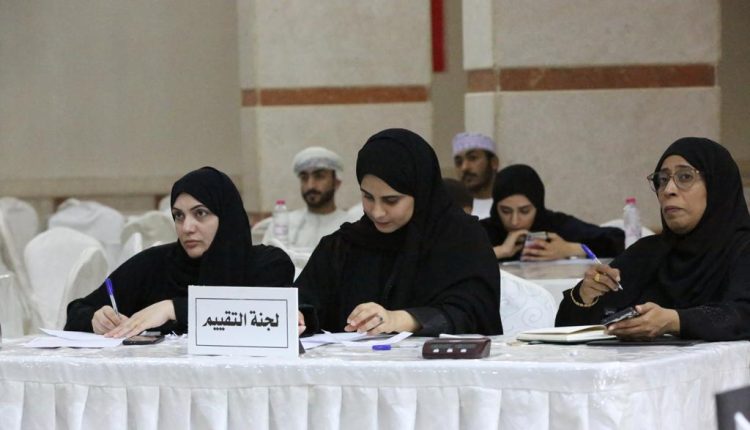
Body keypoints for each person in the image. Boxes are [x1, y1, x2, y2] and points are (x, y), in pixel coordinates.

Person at [295, 128, 502, 336]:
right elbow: (305, 298)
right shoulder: (346, 245)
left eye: (391, 200)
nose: (377, 212)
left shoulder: (461, 239)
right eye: (368, 197)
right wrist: (299, 315)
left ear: (420, 192)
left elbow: (473, 313)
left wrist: (402, 319)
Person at [556, 137, 750, 341]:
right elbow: (566, 330)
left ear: (718, 185)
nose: (668, 190)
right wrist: (586, 295)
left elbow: (743, 314)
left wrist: (675, 321)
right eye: (663, 180)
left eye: (685, 177)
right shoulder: (648, 252)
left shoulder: (743, 249)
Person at [65, 167, 295, 337]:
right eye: (178, 216)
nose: (187, 228)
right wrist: (95, 319)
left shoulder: (267, 264)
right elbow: (77, 310)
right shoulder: (154, 264)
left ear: (227, 217)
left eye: (200, 213)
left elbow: (269, 315)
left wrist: (173, 309)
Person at [481, 164, 624, 261]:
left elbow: (617, 239)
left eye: (525, 211)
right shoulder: (484, 231)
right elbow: (466, 258)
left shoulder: (554, 225)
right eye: (505, 211)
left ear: (537, 207)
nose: (514, 221)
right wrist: (501, 251)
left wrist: (569, 249)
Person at [262, 146, 354, 249]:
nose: (310, 186)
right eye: (304, 177)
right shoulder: (282, 224)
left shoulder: (352, 226)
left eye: (319, 176)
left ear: (336, 182)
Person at [452, 132, 499, 219]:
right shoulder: (454, 212)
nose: (464, 167)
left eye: (472, 158)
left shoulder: (508, 210)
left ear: (494, 162)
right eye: (459, 162)